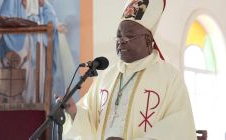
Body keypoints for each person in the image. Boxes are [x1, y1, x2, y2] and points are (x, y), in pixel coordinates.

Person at [60, 0, 197, 140]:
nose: (121, 41)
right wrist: (73, 111)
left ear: (148, 40)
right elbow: (89, 118)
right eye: (118, 36)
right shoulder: (107, 77)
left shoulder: (170, 78)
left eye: (129, 36)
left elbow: (177, 127)